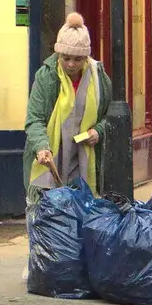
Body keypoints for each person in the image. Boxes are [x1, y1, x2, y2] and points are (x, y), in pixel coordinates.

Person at [23, 12, 112, 207]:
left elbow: (111, 116)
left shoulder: (99, 79)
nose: (71, 64)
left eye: (78, 59)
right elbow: (34, 119)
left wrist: (99, 131)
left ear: (86, 57)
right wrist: (41, 147)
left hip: (85, 161)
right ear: (57, 54)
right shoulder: (46, 77)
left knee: (82, 216)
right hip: (50, 159)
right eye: (65, 58)